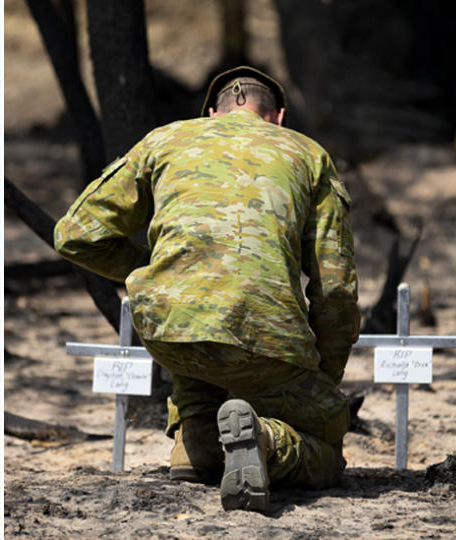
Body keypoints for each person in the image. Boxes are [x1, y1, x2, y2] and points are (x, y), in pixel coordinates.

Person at [54, 66, 359, 512]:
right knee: (330, 438)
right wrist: (324, 379)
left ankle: (195, 445)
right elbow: (334, 292)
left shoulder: (164, 140)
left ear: (212, 113)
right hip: (269, 343)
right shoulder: (309, 155)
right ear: (278, 118)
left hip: (171, 331)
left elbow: (74, 234)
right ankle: (267, 441)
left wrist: (155, 270)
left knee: (197, 333)